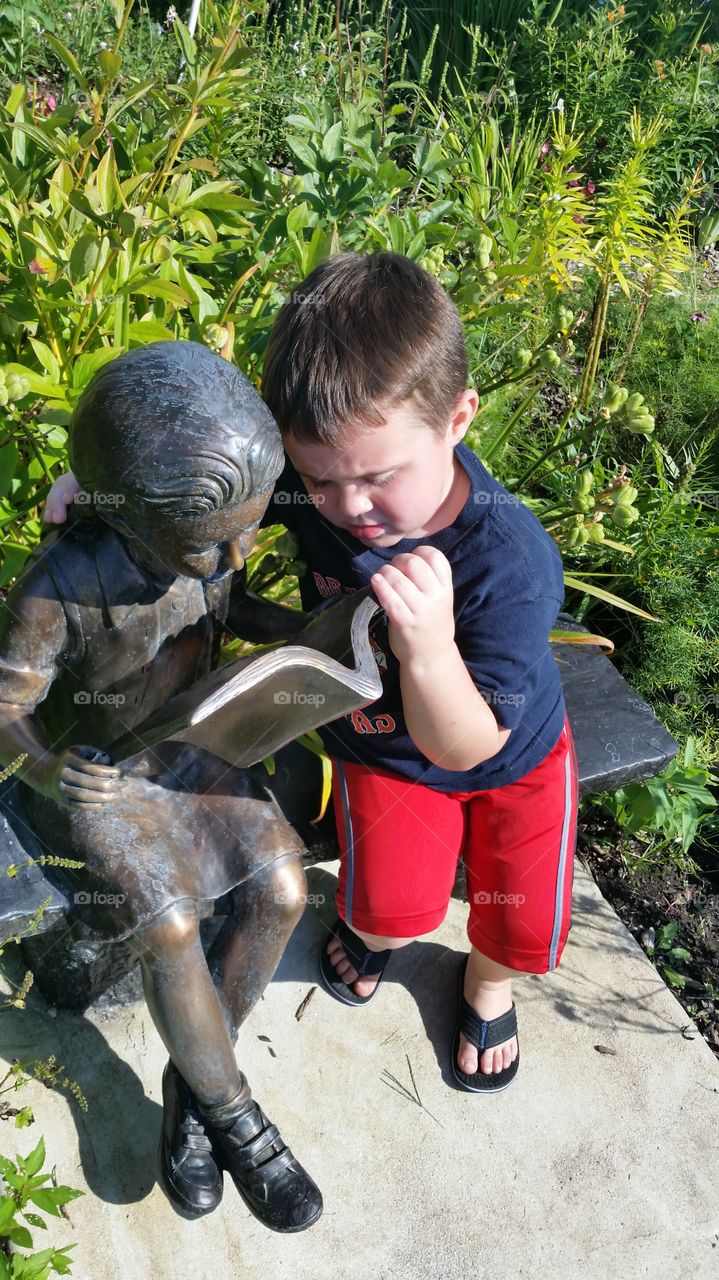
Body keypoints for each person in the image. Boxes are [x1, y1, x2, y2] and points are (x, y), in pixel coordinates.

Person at [46, 252, 579, 1096]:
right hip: (378, 752)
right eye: (323, 480)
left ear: (457, 418)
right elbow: (195, 467)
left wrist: (431, 648)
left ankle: (487, 980)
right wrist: (111, 487)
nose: (350, 506)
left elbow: (466, 746)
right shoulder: (312, 478)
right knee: (384, 907)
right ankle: (384, 934)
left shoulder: (506, 561)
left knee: (522, 910)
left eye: (378, 476)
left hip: (503, 753)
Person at [3, 341, 323, 1230]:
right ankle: (235, 1118)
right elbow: (5, 699)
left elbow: (230, 603)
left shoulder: (215, 545)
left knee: (284, 886)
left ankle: (192, 1088)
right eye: (209, 545)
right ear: (133, 522)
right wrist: (40, 762)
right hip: (94, 777)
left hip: (188, 747)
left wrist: (304, 632)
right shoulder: (60, 583)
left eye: (248, 531)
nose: (235, 556)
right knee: (173, 921)